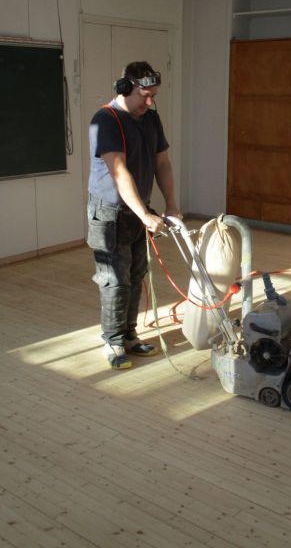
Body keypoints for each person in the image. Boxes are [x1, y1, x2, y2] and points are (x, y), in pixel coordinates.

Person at [87, 61, 181, 369]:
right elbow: (119, 171)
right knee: (115, 281)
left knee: (136, 274)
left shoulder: (150, 118)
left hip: (138, 211)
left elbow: (162, 163)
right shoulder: (106, 120)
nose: (150, 102)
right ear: (124, 88)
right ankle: (113, 342)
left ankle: (129, 335)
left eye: (154, 96)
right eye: (145, 96)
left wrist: (171, 205)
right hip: (109, 214)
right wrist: (145, 214)